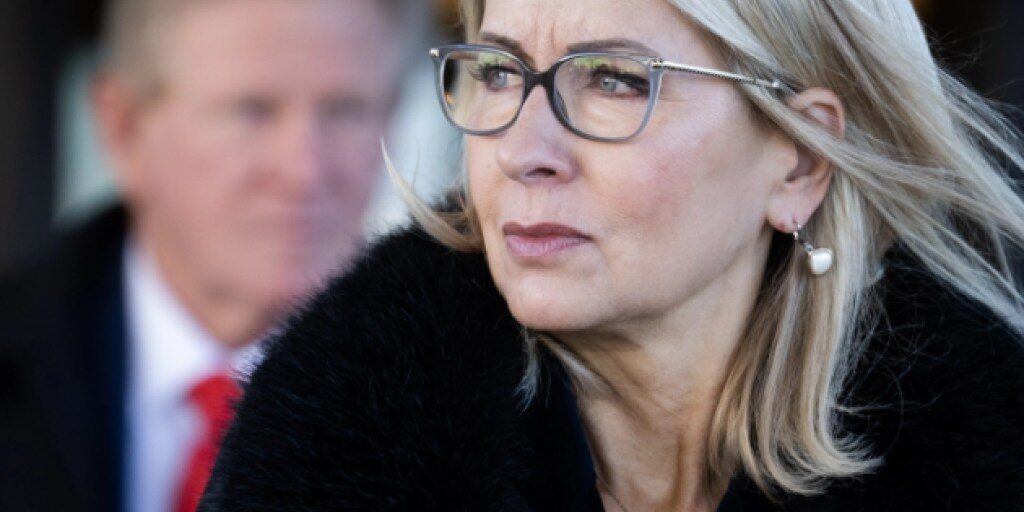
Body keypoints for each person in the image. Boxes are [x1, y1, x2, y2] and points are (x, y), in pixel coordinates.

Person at [199, 0, 1024, 511]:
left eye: (613, 80)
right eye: (500, 72)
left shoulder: (984, 461)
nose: (524, 149)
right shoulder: (332, 446)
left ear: (800, 161)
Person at [0, 0, 419, 511]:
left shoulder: (455, 407)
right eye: (252, 111)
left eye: (346, 110)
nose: (303, 170)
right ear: (124, 128)